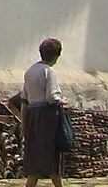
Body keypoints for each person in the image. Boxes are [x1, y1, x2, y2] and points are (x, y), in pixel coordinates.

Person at [19, 37, 71, 187]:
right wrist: (62, 101)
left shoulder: (30, 72)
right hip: (48, 118)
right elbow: (51, 97)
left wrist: (24, 123)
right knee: (53, 155)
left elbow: (24, 99)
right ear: (56, 56)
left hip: (32, 116)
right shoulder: (49, 72)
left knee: (35, 154)